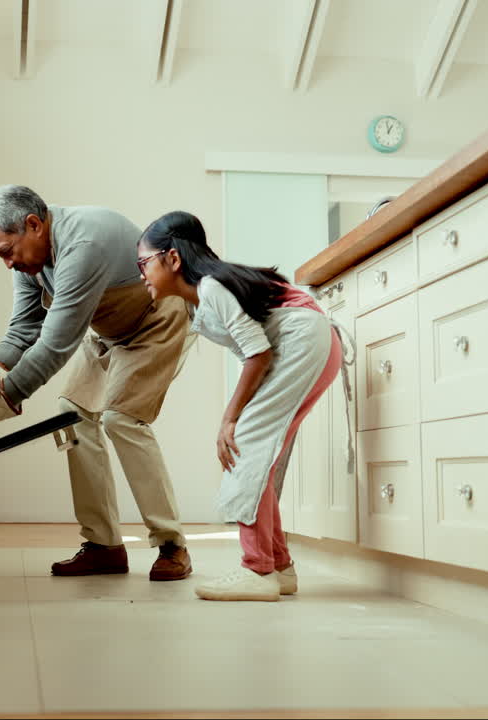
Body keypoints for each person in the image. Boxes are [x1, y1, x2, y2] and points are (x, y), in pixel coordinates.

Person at [0, 185, 194, 581]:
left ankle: (171, 544)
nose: (8, 264)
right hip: (107, 333)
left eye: (7, 252)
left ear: (33, 225)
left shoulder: (84, 242)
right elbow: (23, 330)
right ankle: (103, 546)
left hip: (156, 321)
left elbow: (55, 345)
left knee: (122, 419)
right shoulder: (31, 261)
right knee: (71, 414)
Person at [135, 210, 354, 602]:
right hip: (310, 343)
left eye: (144, 262)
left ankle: (257, 570)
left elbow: (258, 353)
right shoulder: (204, 295)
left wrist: (229, 418)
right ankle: (278, 567)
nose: (141, 273)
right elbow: (257, 351)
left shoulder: (212, 288)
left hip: (303, 343)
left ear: (172, 258)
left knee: (244, 446)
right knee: (256, 455)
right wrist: (236, 415)